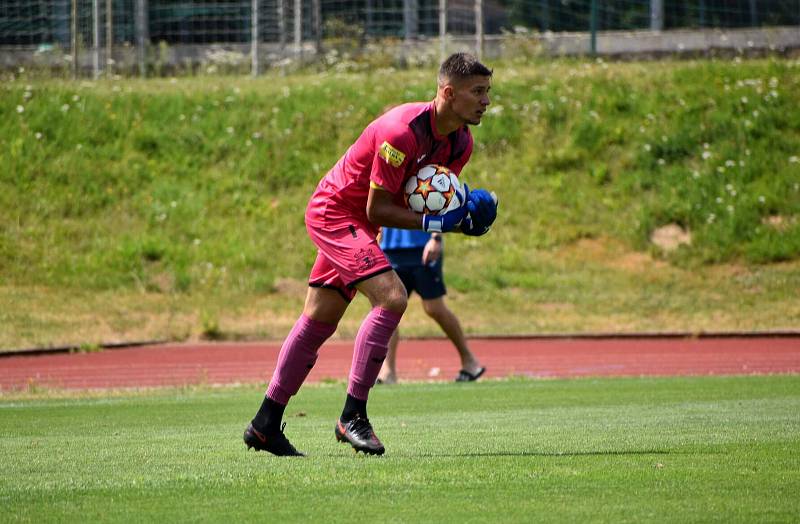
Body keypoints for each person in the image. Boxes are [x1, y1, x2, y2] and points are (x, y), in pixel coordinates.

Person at [243, 52, 498, 457]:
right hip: (336, 213)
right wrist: (445, 224)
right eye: (478, 91)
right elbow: (376, 209)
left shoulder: (461, 144)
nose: (486, 101)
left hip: (361, 224)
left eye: (488, 92)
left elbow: (431, 201)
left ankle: (264, 423)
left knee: (318, 320)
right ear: (449, 93)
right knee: (392, 297)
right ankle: (352, 416)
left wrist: (463, 213)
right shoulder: (401, 133)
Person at [377, 227, 485, 384]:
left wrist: (436, 238)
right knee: (387, 310)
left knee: (434, 308)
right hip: (389, 249)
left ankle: (470, 362)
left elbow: (439, 205)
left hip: (423, 247)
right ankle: (388, 372)